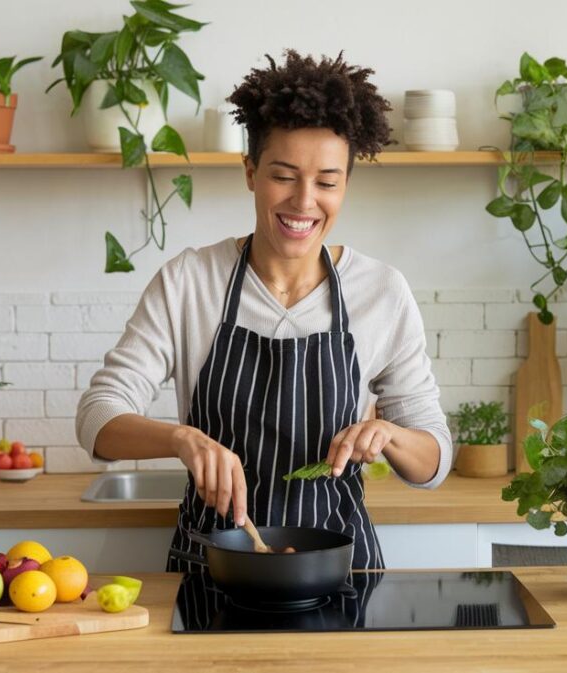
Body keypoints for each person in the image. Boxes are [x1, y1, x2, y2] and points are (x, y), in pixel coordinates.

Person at [77, 50, 452, 571]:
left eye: (326, 181)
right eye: (283, 176)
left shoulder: (381, 291)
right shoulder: (190, 282)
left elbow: (433, 462)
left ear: (346, 184)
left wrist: (390, 435)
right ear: (250, 172)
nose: (304, 202)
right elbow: (98, 419)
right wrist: (182, 439)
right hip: (212, 568)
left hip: (339, 569)